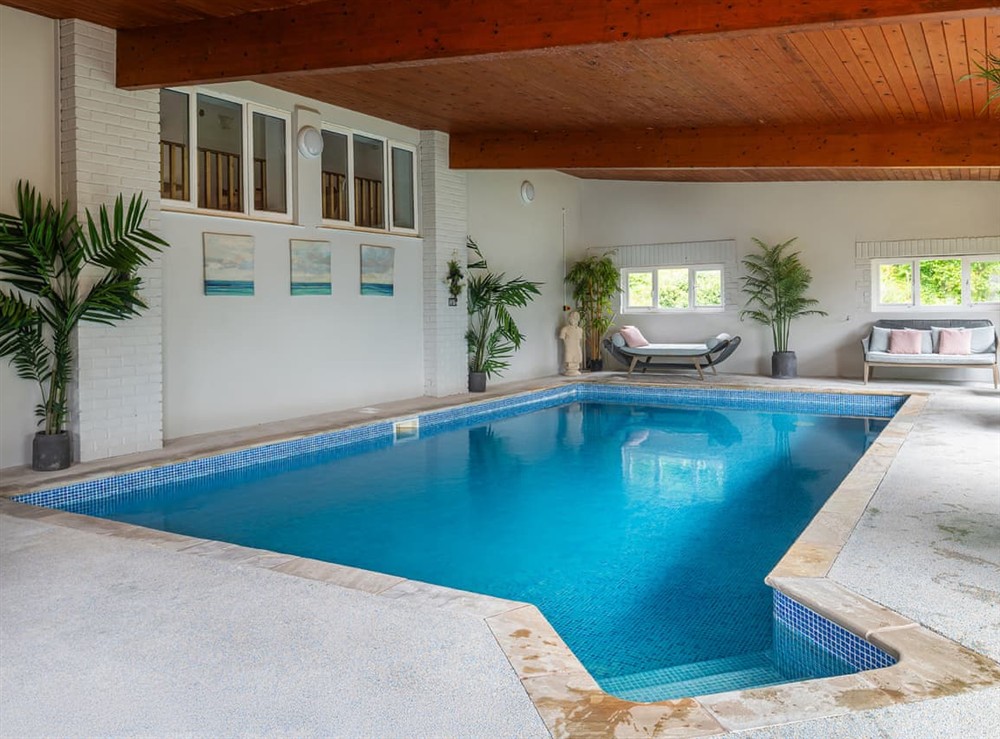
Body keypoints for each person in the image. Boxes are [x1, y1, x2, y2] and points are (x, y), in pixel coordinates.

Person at [559, 311, 584, 376]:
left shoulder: (580, 330)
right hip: (569, 349)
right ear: (569, 318)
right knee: (569, 359)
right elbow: (562, 337)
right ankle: (570, 369)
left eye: (576, 318)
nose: (574, 319)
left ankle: (575, 369)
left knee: (577, 359)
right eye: (572, 317)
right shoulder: (565, 329)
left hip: (577, 349)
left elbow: (580, 340)